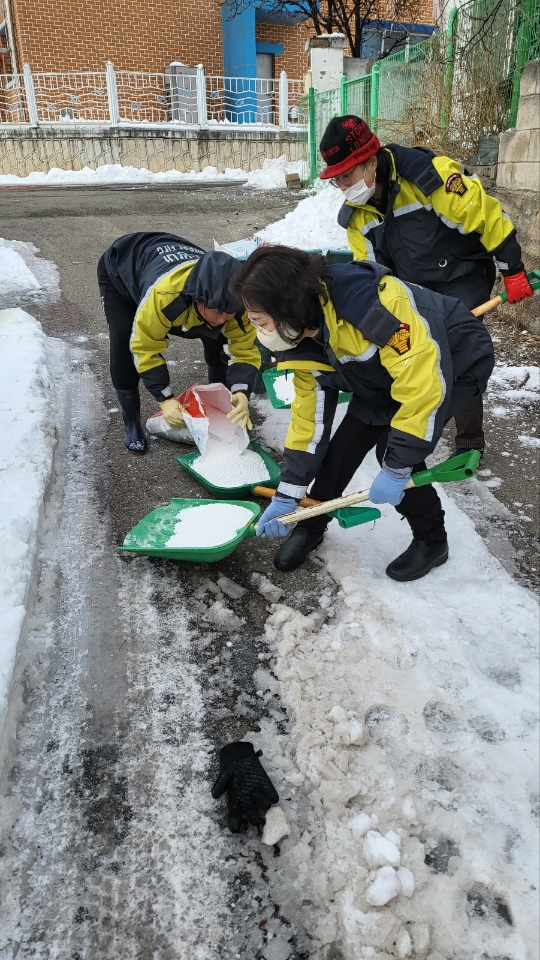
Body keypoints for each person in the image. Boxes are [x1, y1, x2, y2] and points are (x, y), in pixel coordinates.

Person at [231, 246, 495, 579]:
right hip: (383, 374)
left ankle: (432, 541)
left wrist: (398, 467)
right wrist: (289, 492)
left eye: (260, 321)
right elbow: (309, 420)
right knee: (342, 450)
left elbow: (422, 387)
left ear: (288, 307)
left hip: (454, 359)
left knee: (395, 451)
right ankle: (310, 523)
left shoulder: (374, 307)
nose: (259, 331)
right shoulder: (300, 338)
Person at [318, 115, 533, 455]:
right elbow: (371, 275)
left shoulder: (428, 176)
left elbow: (487, 216)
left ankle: (469, 441)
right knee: (410, 348)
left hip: (462, 272)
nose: (344, 187)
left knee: (456, 349)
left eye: (347, 176)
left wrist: (513, 269)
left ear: (370, 161)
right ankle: (413, 424)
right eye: (337, 180)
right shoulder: (357, 215)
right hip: (414, 285)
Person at [97, 232, 260, 453]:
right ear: (198, 298)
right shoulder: (164, 296)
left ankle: (219, 408)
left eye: (228, 313)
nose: (223, 318)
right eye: (217, 312)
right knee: (123, 338)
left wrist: (240, 392)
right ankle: (132, 422)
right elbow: (145, 347)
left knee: (218, 338)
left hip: (175, 261)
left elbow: (243, 350)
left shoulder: (237, 304)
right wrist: (165, 399)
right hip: (123, 267)